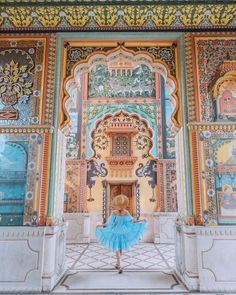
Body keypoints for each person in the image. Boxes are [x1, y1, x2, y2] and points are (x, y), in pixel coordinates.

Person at [95, 194, 147, 274]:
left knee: (117, 248)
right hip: (123, 232)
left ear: (116, 204)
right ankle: (118, 264)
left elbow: (109, 224)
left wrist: (100, 225)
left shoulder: (114, 213)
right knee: (121, 248)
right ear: (124, 204)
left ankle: (119, 265)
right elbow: (133, 221)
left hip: (115, 232)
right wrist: (141, 220)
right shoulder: (126, 212)